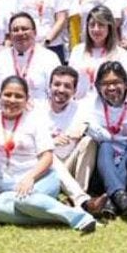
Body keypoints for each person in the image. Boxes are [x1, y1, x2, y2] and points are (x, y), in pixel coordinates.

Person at [0, 76, 98, 232]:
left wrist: (30, 178)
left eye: (18, 96)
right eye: (7, 95)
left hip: (40, 180)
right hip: (8, 190)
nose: (12, 100)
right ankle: (61, 216)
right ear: (0, 96)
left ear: (27, 99)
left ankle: (80, 218)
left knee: (25, 201)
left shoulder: (35, 120)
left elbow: (47, 157)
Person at [81, 62, 127, 217]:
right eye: (105, 84)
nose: (111, 88)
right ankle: (120, 195)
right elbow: (86, 128)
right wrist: (106, 136)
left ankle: (112, 197)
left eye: (116, 82)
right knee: (106, 145)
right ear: (97, 86)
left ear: (126, 84)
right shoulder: (89, 105)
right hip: (101, 167)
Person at [39, 66, 95, 209]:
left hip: (70, 162)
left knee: (89, 142)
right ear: (49, 86)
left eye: (67, 86)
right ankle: (82, 200)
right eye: (57, 84)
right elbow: (29, 146)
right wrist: (51, 143)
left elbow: (104, 136)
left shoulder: (82, 109)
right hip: (46, 167)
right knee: (49, 154)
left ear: (75, 91)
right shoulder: (36, 110)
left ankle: (80, 193)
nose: (61, 90)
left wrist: (87, 129)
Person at [0, 13, 57, 105]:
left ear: (34, 32)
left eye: (24, 29)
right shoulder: (0, 58)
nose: (20, 33)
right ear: (10, 35)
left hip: (40, 114)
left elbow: (55, 91)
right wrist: (2, 112)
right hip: (8, 114)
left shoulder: (50, 57)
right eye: (15, 30)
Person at [68, 5, 127, 98]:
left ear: (109, 27)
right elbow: (70, 81)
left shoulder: (120, 54)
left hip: (108, 107)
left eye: (101, 25)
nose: (96, 29)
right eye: (92, 25)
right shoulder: (77, 51)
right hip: (80, 106)